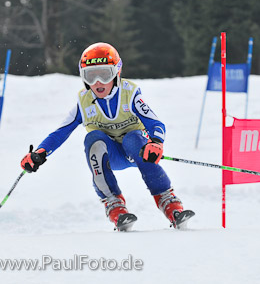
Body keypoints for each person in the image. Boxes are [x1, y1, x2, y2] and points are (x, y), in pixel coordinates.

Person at [20, 42, 195, 231]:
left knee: (132, 138)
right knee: (93, 138)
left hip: (137, 151)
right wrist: (40, 153)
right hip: (109, 156)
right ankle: (114, 205)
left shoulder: (130, 93)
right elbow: (61, 132)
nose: (97, 83)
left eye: (104, 75)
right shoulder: (84, 101)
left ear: (116, 73)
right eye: (90, 76)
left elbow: (155, 123)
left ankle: (169, 203)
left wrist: (156, 142)